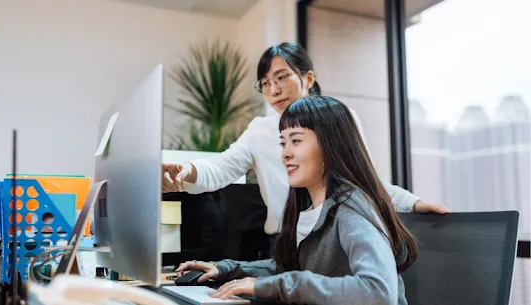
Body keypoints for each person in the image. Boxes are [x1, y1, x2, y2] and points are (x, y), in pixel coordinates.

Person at [162, 42, 448, 251]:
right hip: (283, 241)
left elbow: (364, 177)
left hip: (334, 237)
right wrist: (185, 170)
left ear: (308, 78)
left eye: (282, 77)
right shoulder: (260, 130)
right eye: (265, 83)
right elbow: (222, 168)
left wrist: (412, 203)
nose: (273, 90)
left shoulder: (336, 118)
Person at [175, 96, 418, 304]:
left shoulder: (352, 207)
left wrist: (272, 285)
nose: (285, 153)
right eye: (283, 143)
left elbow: (378, 292)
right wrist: (224, 269)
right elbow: (290, 268)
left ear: (330, 145)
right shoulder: (307, 206)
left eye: (296, 140)